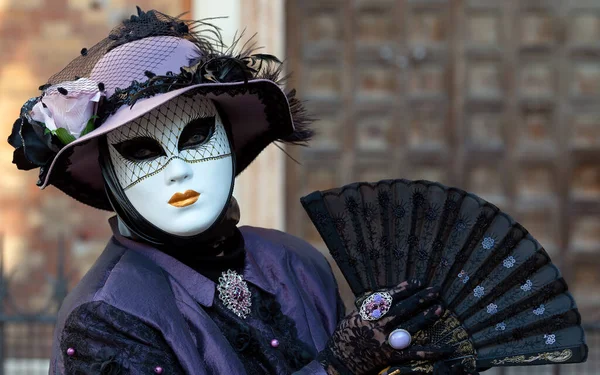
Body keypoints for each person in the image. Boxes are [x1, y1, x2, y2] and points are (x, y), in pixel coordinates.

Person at [8, 8, 473, 375]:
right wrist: (336, 367)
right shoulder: (106, 317)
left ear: (229, 144)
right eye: (143, 151)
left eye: (195, 139)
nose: (179, 172)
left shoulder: (296, 263)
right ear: (109, 173)